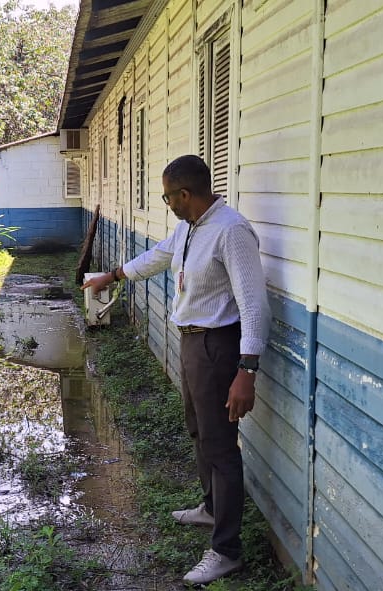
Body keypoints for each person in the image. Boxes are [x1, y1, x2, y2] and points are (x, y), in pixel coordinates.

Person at [82, 154, 270, 586]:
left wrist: (247, 369)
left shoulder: (231, 231)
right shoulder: (190, 226)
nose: (166, 203)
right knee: (198, 430)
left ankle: (226, 550)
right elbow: (160, 255)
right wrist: (112, 275)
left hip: (219, 348)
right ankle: (210, 507)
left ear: (185, 194)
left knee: (221, 445)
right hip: (191, 341)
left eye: (168, 196)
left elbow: (254, 303)